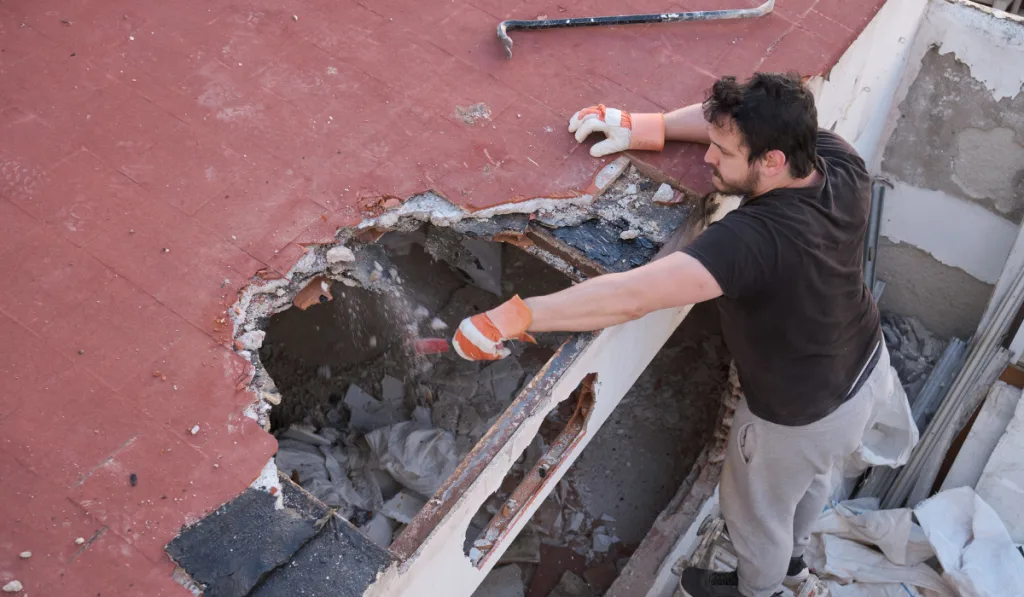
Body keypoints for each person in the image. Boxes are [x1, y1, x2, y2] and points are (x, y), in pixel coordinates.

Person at [450, 72, 891, 597]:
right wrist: (646, 127)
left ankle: (760, 589)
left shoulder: (754, 241)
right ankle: (793, 564)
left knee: (756, 515)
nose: (708, 158)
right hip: (866, 371)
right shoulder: (837, 164)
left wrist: (515, 317)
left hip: (798, 417)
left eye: (724, 153)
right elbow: (743, 115)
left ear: (771, 161)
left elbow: (632, 295)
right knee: (810, 482)